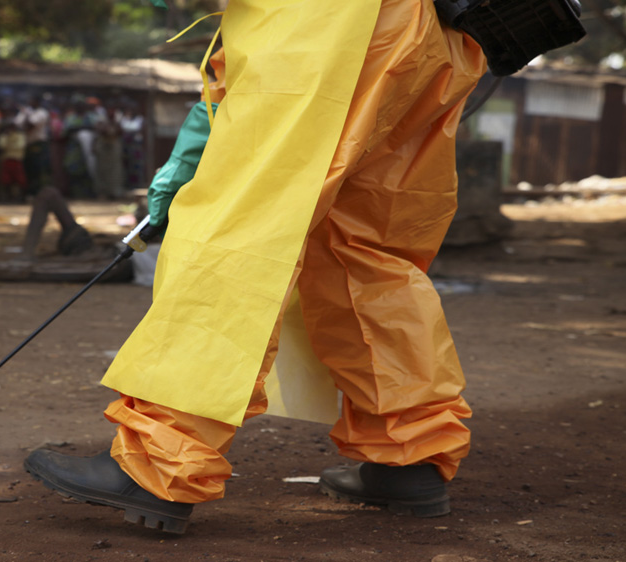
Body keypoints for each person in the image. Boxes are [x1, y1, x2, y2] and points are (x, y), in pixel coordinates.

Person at [24, 0, 487, 534]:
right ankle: (410, 454)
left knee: (242, 230)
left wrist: (200, 137)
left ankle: (159, 461)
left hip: (329, 24)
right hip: (439, 34)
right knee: (364, 248)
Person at [17, 96, 51, 192]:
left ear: (37, 102)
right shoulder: (25, 111)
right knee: (27, 168)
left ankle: (40, 191)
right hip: (26, 144)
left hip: (38, 143)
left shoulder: (42, 113)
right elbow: (17, 125)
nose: (30, 102)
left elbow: (29, 127)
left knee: (39, 169)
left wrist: (27, 115)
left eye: (32, 100)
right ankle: (29, 192)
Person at [0, 118, 27, 202]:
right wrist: (8, 140)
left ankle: (20, 198)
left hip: (17, 159)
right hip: (6, 160)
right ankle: (8, 198)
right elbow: (1, 146)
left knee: (20, 180)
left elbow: (20, 146)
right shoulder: (4, 136)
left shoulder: (20, 135)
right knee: (6, 180)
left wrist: (9, 145)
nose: (10, 129)